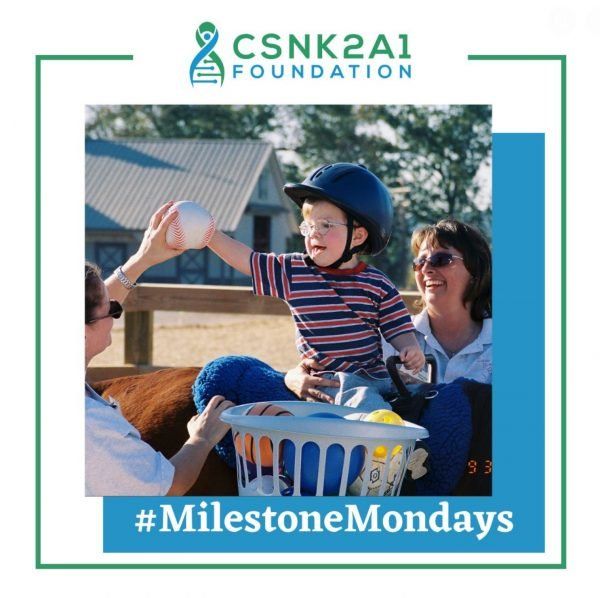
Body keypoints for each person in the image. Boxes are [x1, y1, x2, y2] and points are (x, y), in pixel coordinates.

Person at [205, 163, 425, 411]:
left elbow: (398, 329)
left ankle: (420, 446)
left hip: (377, 377)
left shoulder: (378, 284)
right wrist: (209, 234)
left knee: (421, 393)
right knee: (365, 404)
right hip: (329, 379)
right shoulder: (294, 272)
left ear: (358, 236)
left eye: (326, 226)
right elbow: (247, 259)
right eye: (308, 226)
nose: (313, 234)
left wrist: (409, 347)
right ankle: (385, 443)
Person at [85, 201, 234, 496]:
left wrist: (143, 258)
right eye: (111, 311)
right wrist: (201, 439)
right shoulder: (91, 427)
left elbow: (95, 302)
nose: (116, 314)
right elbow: (170, 486)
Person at [285, 218, 492, 399]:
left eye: (441, 260)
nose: (427, 269)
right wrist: (292, 378)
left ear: (476, 269)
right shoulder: (385, 339)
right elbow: (340, 384)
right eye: (420, 262)